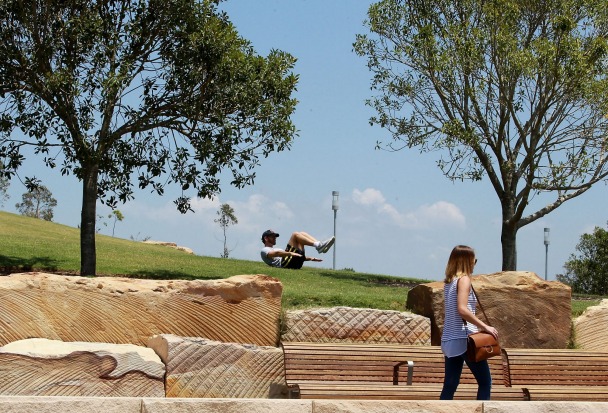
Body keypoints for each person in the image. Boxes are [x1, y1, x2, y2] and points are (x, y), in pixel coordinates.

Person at [440, 245, 499, 400]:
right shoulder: (464, 280)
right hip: (465, 339)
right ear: (467, 260)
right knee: (485, 382)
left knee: (450, 384)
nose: (475, 264)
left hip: (450, 339)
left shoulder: (449, 282)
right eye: (474, 260)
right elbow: (462, 309)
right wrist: (485, 326)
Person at [260, 229, 335, 269]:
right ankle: (319, 246)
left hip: (295, 263)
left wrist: (311, 258)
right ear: (266, 238)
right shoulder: (264, 250)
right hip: (285, 265)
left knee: (302, 233)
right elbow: (274, 254)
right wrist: (290, 253)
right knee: (295, 234)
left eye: (275, 236)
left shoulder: (277, 249)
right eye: (272, 236)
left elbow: (294, 255)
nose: (275, 238)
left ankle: (319, 245)